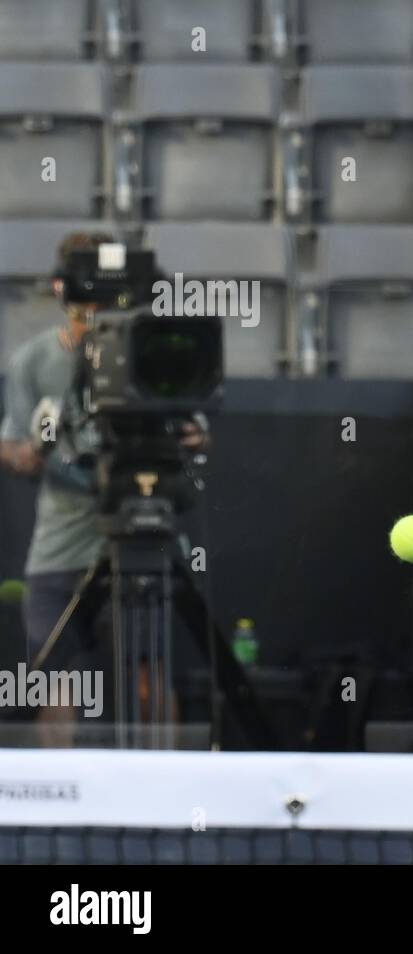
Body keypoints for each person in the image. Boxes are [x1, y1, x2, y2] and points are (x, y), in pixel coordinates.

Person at [0, 232, 205, 746]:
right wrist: (40, 440)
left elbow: (192, 427)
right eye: (87, 290)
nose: (96, 307)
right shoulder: (33, 360)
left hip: (144, 540)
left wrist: (192, 436)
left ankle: (168, 798)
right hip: (60, 552)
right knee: (57, 684)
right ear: (62, 289)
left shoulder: (156, 348)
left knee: (148, 676)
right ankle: (60, 811)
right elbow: (17, 453)